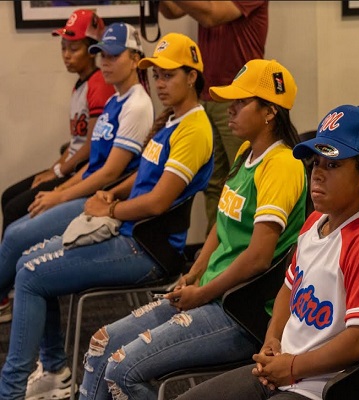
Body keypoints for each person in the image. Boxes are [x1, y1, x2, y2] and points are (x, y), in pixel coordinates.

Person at [77, 58, 306, 400]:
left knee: (122, 371)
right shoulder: (247, 151)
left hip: (240, 309)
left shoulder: (282, 165)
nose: (229, 110)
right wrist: (195, 273)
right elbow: (222, 222)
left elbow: (259, 258)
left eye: (241, 103)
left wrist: (205, 291)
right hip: (212, 291)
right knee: (101, 344)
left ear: (270, 112)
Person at [0, 32, 212, 400]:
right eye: (156, 75)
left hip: (144, 249)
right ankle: (52, 371)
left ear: (192, 76)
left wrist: (108, 208)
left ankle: (14, 390)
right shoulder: (173, 121)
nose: (160, 83)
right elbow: (142, 176)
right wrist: (112, 193)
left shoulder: (194, 129)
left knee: (32, 273)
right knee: (28, 264)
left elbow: (157, 202)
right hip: (126, 232)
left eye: (168, 75)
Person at [175, 104, 359, 400]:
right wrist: (272, 339)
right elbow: (288, 289)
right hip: (287, 370)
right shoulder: (314, 223)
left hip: (327, 388)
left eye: (333, 165)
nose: (318, 174)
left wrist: (293, 366)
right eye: (317, 163)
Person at [0, 22, 153, 325]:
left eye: (113, 56)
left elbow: (110, 172)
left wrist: (60, 197)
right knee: (25, 247)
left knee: (17, 237)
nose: (105, 63)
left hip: (101, 199)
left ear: (135, 58)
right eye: (103, 56)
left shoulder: (137, 105)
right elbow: (91, 163)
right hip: (88, 188)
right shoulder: (114, 100)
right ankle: (52, 361)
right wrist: (58, 189)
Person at [1, 9, 115, 236]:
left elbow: (92, 144)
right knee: (7, 196)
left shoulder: (99, 84)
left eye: (74, 49)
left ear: (92, 50)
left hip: (83, 171)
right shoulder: (79, 85)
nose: (66, 55)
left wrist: (59, 171)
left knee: (15, 209)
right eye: (63, 48)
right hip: (69, 167)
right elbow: (75, 141)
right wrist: (54, 168)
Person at [159, 0, 268, 233]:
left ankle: (246, 246)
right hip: (210, 94)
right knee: (214, 183)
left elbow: (211, 15)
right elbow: (172, 10)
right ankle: (216, 248)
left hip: (241, 98)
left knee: (243, 179)